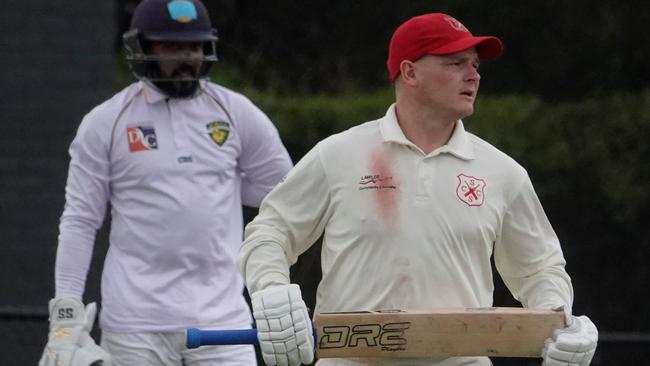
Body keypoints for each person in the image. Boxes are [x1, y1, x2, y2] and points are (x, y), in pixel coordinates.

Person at [237, 13, 598, 366]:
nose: (473, 75)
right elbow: (271, 231)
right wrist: (270, 289)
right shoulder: (339, 155)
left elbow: (539, 269)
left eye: (475, 65)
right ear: (409, 72)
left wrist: (559, 321)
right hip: (351, 359)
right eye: (456, 63)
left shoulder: (502, 172)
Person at [38, 0, 292, 365]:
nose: (188, 57)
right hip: (136, 325)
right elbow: (81, 218)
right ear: (142, 49)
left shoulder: (236, 113)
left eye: (195, 46)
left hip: (222, 320)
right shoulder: (106, 122)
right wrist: (66, 309)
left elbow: (281, 191)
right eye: (172, 47)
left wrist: (220, 187)